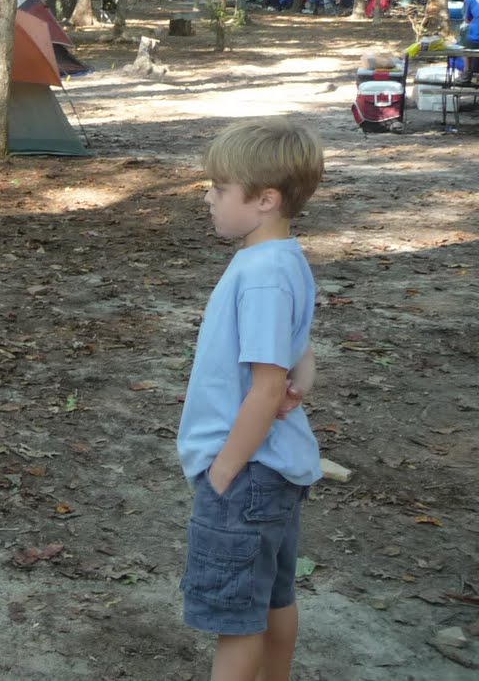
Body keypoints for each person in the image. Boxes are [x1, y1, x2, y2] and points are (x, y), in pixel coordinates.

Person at [178, 118, 324, 681]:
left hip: (247, 477)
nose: (208, 198)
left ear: (265, 199)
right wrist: (303, 378)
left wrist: (223, 473)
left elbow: (266, 388)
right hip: (274, 475)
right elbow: (298, 353)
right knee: (273, 598)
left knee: (237, 621)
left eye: (219, 188)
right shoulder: (284, 258)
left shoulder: (261, 273)